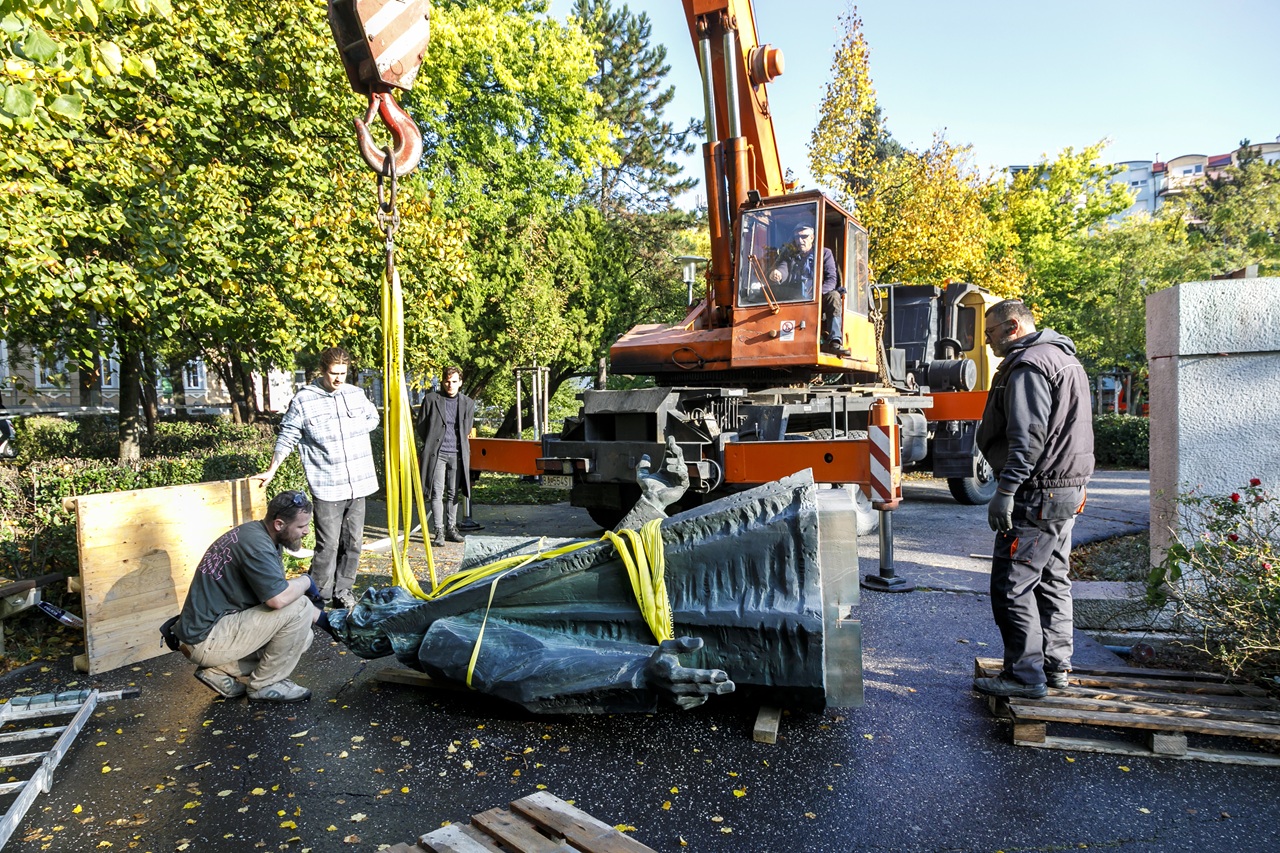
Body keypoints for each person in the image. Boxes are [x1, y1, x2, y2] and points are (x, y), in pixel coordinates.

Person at [973, 300, 1094, 700]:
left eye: (990, 332)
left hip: (1037, 493)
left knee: (1013, 584)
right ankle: (1055, 666)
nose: (987, 341)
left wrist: (1005, 491)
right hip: (1064, 490)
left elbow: (1028, 439)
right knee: (1053, 580)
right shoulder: (1064, 359)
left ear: (1012, 327)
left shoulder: (1029, 366)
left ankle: (1025, 676)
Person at [172, 491, 330, 703]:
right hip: (205, 639)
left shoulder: (259, 535)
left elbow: (281, 597)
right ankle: (265, 685)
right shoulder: (257, 547)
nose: (307, 531)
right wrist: (306, 581)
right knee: (300, 606)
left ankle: (218, 671)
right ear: (279, 524)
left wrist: (327, 622)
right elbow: (278, 600)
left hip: (208, 633)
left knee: (303, 635)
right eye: (301, 526)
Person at [254, 347, 380, 609]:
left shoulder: (355, 394)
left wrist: (353, 431)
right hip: (327, 484)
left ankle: (343, 591)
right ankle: (318, 597)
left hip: (359, 482)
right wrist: (272, 469)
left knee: (353, 543)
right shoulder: (304, 399)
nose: (339, 378)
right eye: (334, 373)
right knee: (329, 545)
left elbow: (373, 417)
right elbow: (288, 435)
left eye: (343, 373)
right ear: (323, 370)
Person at [415, 366, 476, 546]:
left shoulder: (467, 403)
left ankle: (451, 528)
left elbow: (467, 428)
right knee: (437, 492)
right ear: (442, 382)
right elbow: (421, 426)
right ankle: (439, 531)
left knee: (453, 493)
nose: (450, 385)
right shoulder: (431, 399)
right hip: (438, 454)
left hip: (457, 454)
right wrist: (432, 442)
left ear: (460, 382)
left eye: (454, 381)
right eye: (447, 381)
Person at [769, 223, 849, 357]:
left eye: (804, 237)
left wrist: (817, 296)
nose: (800, 240)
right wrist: (778, 274)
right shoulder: (790, 255)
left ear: (812, 238)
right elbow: (783, 268)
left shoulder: (824, 253)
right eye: (797, 237)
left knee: (834, 296)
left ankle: (834, 341)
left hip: (820, 298)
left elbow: (831, 279)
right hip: (796, 297)